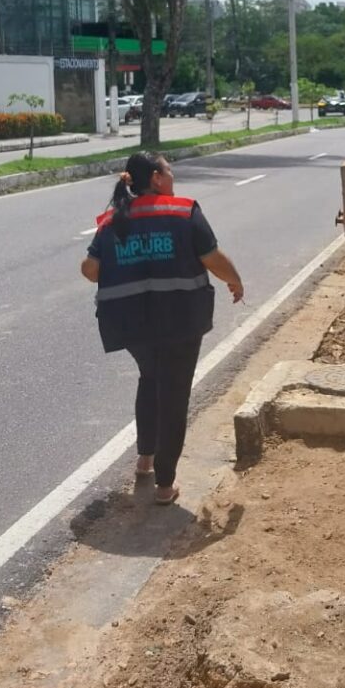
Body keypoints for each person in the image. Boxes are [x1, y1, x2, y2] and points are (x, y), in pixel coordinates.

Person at [81, 151, 244, 506]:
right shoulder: (183, 211)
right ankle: (165, 484)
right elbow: (213, 258)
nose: (173, 177)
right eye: (169, 170)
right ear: (156, 177)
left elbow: (90, 270)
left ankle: (145, 459)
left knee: (150, 378)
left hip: (131, 324)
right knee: (173, 394)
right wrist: (236, 281)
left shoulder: (113, 219)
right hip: (179, 322)